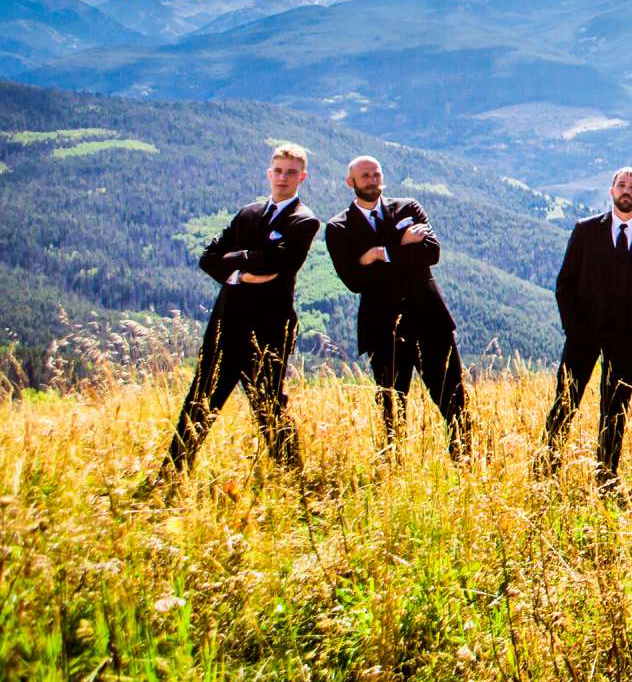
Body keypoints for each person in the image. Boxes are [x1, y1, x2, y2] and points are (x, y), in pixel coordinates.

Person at [153, 142, 321, 487]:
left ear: (302, 177)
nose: (283, 177)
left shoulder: (304, 221)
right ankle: (169, 478)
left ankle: (294, 481)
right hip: (226, 322)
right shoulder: (247, 213)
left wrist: (238, 257)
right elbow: (209, 257)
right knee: (200, 398)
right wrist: (242, 271)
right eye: (278, 170)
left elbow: (279, 263)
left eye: (291, 172)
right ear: (269, 173)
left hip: (270, 327)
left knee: (268, 404)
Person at [324, 155, 472, 459]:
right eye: (364, 176)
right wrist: (403, 246)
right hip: (382, 327)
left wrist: (379, 253)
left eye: (376, 174)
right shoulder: (339, 227)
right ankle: (393, 465)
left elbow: (431, 252)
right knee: (391, 405)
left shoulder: (409, 207)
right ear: (349, 181)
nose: (372, 180)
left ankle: (465, 459)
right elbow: (354, 279)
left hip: (431, 320)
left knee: (454, 398)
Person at [537, 166, 632, 492]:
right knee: (565, 401)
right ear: (611, 191)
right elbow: (565, 283)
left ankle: (606, 476)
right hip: (583, 335)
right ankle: (546, 469)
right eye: (622, 185)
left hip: (628, 340)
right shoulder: (585, 230)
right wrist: (574, 329)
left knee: (616, 408)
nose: (627, 191)